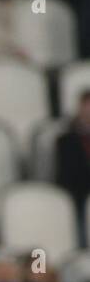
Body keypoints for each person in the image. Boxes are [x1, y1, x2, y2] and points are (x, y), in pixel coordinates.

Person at [55, 90, 90, 220]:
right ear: (80, 109)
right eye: (87, 107)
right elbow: (64, 175)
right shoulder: (65, 141)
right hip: (77, 199)